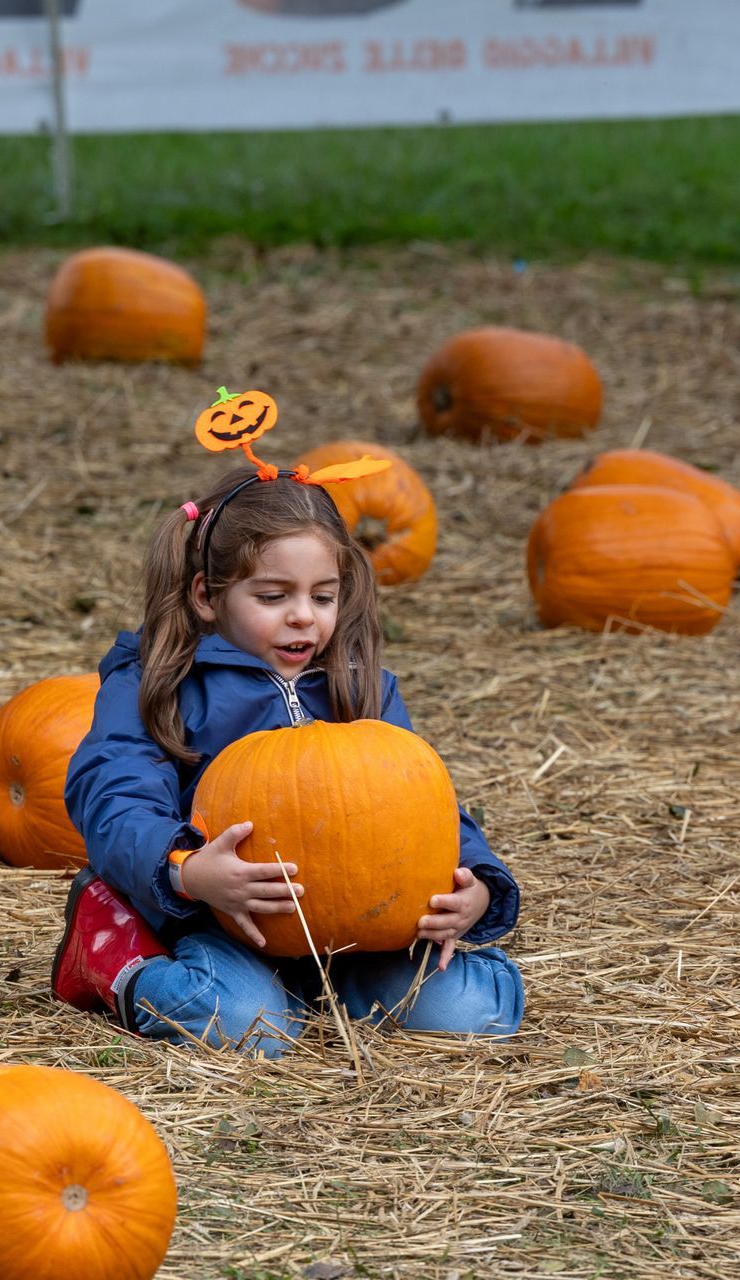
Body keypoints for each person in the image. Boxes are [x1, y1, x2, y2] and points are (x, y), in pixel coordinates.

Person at [51, 418, 523, 1054]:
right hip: (222, 919)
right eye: (273, 596)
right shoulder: (158, 684)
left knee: (471, 1012)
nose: (303, 615)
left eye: (323, 597)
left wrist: (479, 882)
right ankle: (115, 957)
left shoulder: (363, 689)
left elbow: (424, 809)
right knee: (249, 1028)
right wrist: (186, 872)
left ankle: (319, 993)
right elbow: (114, 794)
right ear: (207, 597)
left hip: (362, 931)